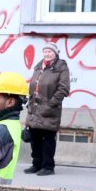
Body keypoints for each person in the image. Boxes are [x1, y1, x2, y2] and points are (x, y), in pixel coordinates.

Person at [25, 42, 71, 176]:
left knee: (48, 139)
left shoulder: (61, 67)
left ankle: (48, 166)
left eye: (50, 51)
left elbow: (64, 88)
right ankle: (36, 164)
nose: (47, 53)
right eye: (45, 51)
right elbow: (34, 86)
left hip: (50, 109)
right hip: (35, 107)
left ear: (55, 53)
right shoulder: (39, 66)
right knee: (35, 138)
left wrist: (51, 104)